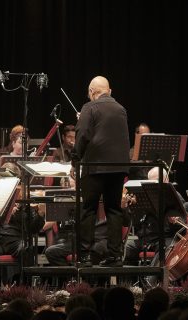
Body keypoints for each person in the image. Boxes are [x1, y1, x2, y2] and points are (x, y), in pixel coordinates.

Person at [73, 76, 130, 267]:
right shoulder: (121, 109)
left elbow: (83, 135)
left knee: (88, 209)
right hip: (118, 167)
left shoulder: (89, 107)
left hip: (95, 166)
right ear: (109, 91)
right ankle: (115, 256)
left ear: (91, 92)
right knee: (114, 209)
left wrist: (75, 159)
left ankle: (85, 256)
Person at [123, 167, 186, 265]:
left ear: (167, 180)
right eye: (152, 181)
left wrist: (174, 221)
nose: (155, 184)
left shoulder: (174, 195)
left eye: (158, 180)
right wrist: (129, 208)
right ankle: (128, 280)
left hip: (166, 238)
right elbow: (136, 223)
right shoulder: (144, 196)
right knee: (126, 247)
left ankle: (151, 278)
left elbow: (183, 223)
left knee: (164, 250)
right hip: (147, 239)